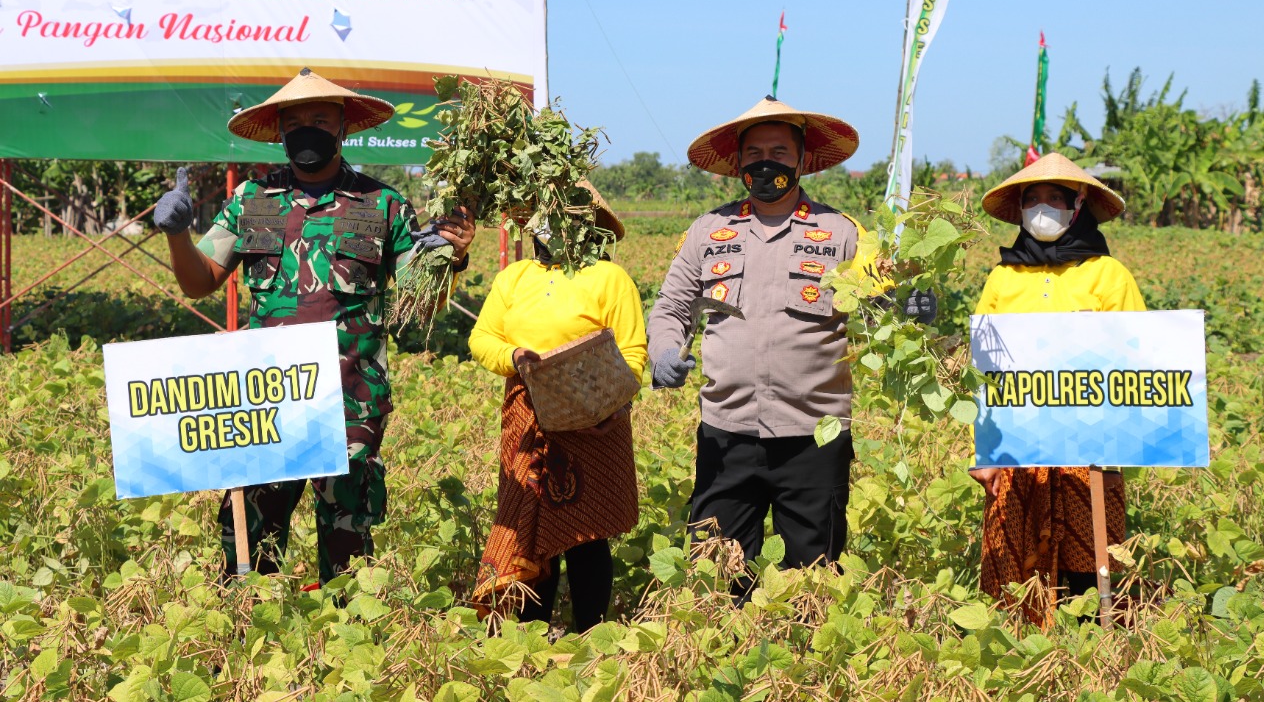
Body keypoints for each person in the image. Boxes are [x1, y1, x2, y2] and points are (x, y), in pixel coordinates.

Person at [152, 67, 475, 583]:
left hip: (350, 400)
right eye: (295, 120)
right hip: (265, 396)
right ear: (279, 130)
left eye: (320, 119)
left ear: (343, 127)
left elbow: (419, 301)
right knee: (251, 536)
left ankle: (346, 646)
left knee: (347, 539)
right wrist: (176, 234)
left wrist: (450, 259)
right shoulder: (250, 201)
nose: (307, 129)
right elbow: (201, 281)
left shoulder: (384, 204)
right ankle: (244, 645)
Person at [647, 95, 935, 592]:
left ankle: (802, 667)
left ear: (802, 161)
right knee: (718, 578)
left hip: (813, 435)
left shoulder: (840, 234)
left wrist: (914, 305)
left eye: (779, 152)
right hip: (726, 431)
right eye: (755, 152)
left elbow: (882, 302)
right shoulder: (709, 231)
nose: (766, 162)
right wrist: (665, 352)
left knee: (812, 579)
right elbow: (672, 306)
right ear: (738, 163)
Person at [970, 152, 1145, 622]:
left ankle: (1092, 650)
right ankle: (1020, 649)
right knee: (1014, 559)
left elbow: (1138, 360)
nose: (1042, 208)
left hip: (1090, 441)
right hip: (1016, 441)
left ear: (1078, 204)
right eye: (1033, 199)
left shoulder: (1109, 275)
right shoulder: (1002, 278)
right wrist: (984, 452)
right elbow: (984, 372)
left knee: (1090, 558)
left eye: (1055, 198)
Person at [468, 182, 644, 631]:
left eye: (568, 215)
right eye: (545, 214)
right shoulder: (515, 277)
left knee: (587, 534)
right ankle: (530, 635)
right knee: (529, 525)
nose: (553, 224)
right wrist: (514, 358)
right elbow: (482, 338)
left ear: (589, 225)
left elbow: (633, 351)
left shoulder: (610, 278)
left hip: (595, 415)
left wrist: (607, 401)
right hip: (527, 415)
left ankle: (592, 634)